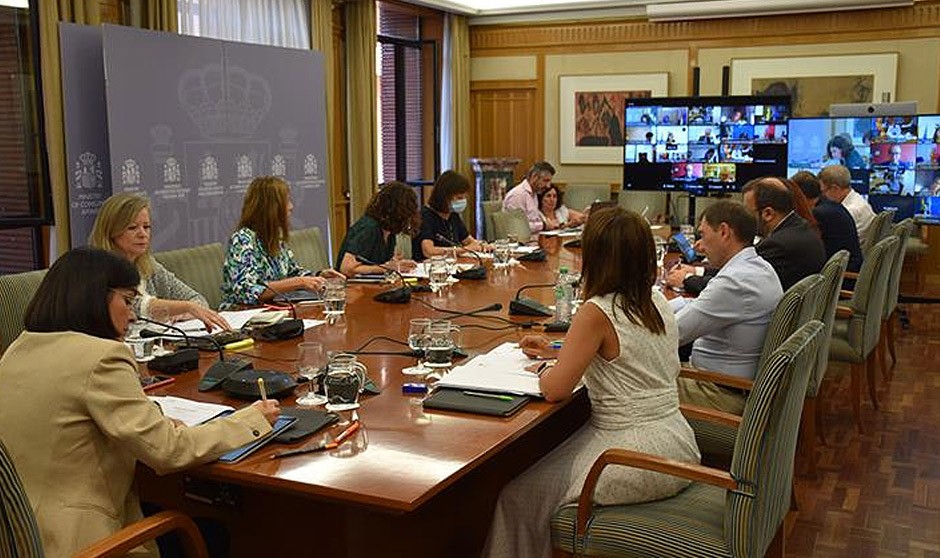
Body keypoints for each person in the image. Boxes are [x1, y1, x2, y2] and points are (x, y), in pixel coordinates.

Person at [0, 247, 279, 558]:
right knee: (219, 532)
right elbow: (168, 451)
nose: (132, 314)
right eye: (128, 300)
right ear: (95, 296)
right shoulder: (101, 357)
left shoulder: (17, 349)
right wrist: (252, 421)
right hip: (86, 544)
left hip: (20, 537)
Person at [483, 207, 700, 558]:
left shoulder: (596, 311)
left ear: (595, 258)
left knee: (516, 498)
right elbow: (628, 354)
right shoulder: (656, 300)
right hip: (678, 443)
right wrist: (560, 350)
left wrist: (544, 371)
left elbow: (555, 391)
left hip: (628, 457)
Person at [670, 200, 783, 414]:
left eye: (702, 235)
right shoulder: (758, 267)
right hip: (726, 383)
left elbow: (671, 334)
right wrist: (660, 306)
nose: (699, 246)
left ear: (723, 232)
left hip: (716, 393)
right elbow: (695, 304)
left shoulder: (735, 281)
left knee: (626, 382)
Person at [89, 192, 230, 331]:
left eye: (146, 227)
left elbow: (197, 299)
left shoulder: (148, 265)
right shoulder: (101, 269)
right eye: (132, 228)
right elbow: (136, 306)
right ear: (111, 232)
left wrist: (184, 313)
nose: (142, 234)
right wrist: (186, 307)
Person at [220, 176, 339, 309]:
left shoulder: (276, 238)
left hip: (275, 310)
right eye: (287, 201)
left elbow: (293, 273)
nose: (291, 207)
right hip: (245, 316)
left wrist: (318, 277)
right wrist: (300, 282)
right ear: (271, 207)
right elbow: (247, 291)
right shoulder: (243, 239)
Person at [741, 177, 827, 290]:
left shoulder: (778, 245)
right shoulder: (800, 227)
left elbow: (739, 279)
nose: (745, 218)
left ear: (768, 213)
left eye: (748, 212)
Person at [336, 181, 421, 276]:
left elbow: (379, 263)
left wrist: (396, 264)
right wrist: (386, 268)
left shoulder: (389, 230)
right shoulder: (368, 228)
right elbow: (347, 268)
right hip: (353, 286)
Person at [792, 170, 863, 273]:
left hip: (841, 278)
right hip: (846, 270)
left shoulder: (819, 214)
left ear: (799, 197)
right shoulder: (829, 205)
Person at [411, 170, 488, 261]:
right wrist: (464, 249)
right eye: (459, 198)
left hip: (452, 265)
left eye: (464, 197)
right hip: (429, 268)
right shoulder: (425, 216)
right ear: (444, 196)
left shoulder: (453, 215)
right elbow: (429, 251)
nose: (463, 201)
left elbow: (469, 241)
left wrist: (483, 245)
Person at [818, 164, 876, 246]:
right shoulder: (857, 199)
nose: (822, 196)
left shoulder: (849, 211)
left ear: (835, 188)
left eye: (823, 191)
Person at [502, 161, 555, 233]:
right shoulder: (518, 195)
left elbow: (534, 220)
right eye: (545, 181)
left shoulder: (534, 194)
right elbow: (518, 227)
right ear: (534, 177)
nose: (548, 186)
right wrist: (543, 225)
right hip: (519, 241)